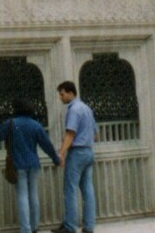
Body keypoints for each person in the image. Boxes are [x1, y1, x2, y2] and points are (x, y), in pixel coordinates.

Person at [0, 97, 59, 233]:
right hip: (34, 164)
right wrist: (56, 159)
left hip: (18, 165)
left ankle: (26, 229)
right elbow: (47, 145)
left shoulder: (11, 124)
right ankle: (35, 226)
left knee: (22, 196)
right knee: (33, 195)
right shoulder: (35, 125)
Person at [55, 80, 97, 233]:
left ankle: (70, 226)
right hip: (88, 151)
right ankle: (89, 226)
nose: (61, 98)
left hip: (77, 152)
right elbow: (95, 132)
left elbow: (70, 133)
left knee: (70, 189)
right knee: (87, 189)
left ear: (71, 93)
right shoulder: (86, 108)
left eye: (62, 94)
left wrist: (61, 152)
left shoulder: (73, 110)